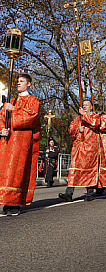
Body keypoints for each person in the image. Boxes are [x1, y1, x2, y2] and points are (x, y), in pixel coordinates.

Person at [0, 73, 40, 216]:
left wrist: (14, 110)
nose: (18, 83)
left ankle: (15, 203)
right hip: (7, 142)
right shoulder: (11, 101)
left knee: (18, 172)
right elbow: (2, 118)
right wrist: (2, 130)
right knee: (5, 172)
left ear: (29, 84)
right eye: (17, 81)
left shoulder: (33, 100)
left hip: (22, 142)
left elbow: (31, 118)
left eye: (21, 81)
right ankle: (6, 201)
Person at [59, 100, 101, 202]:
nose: (85, 107)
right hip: (78, 148)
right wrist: (78, 129)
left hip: (90, 149)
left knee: (89, 171)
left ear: (91, 107)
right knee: (74, 169)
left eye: (87, 105)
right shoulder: (78, 118)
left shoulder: (95, 116)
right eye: (83, 105)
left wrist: (85, 116)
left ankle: (90, 193)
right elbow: (70, 129)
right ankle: (69, 193)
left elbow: (95, 124)